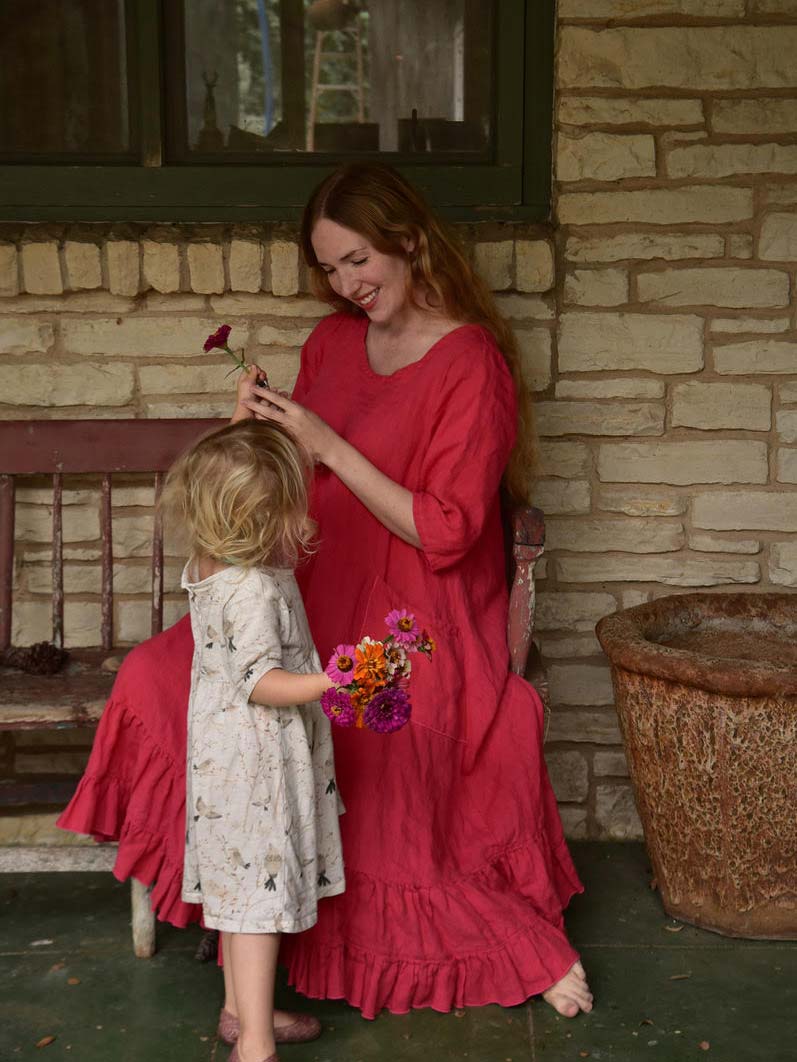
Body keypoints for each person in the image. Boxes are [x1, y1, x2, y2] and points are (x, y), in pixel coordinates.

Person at [60, 161, 592, 1025]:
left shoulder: (471, 365)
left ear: (409, 242)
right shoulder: (331, 344)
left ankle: (500, 941)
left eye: (358, 261)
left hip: (416, 599)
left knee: (381, 727)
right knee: (163, 675)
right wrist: (253, 432)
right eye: (330, 267)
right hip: (304, 578)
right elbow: (282, 480)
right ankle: (238, 899)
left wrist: (329, 444)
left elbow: (449, 531)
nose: (347, 285)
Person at [161, 420, 344, 1062]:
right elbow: (262, 680)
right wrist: (332, 679)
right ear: (263, 519)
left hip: (220, 758)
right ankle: (257, 1049)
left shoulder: (210, 564)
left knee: (239, 897)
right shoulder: (256, 587)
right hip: (257, 761)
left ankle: (240, 1012)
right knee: (259, 910)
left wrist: (244, 416)